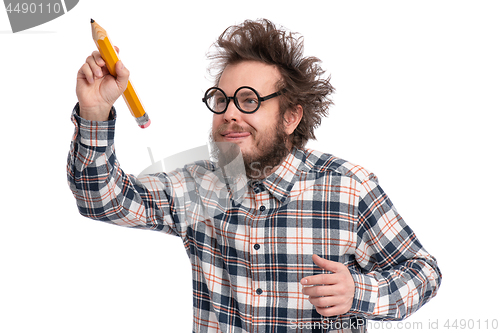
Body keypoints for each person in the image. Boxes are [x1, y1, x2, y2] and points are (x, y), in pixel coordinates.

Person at [67, 19, 441, 333]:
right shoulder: (198, 187)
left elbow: (424, 274)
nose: (229, 113)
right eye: (221, 100)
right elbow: (103, 200)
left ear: (291, 117)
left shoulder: (348, 186)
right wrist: (95, 113)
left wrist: (358, 291)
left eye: (248, 101)